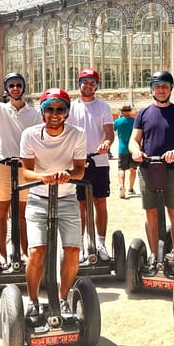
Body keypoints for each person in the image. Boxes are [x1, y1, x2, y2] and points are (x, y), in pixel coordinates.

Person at [20, 88, 87, 319]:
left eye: (60, 109)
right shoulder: (29, 135)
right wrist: (43, 177)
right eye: (49, 109)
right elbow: (25, 172)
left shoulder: (77, 134)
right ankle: (33, 301)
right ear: (42, 112)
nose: (54, 114)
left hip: (67, 197)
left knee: (72, 250)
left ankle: (62, 298)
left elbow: (79, 170)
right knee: (37, 251)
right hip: (39, 198)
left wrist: (66, 174)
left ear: (67, 112)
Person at [0, 72, 39, 267]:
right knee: (1, 212)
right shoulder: (1, 109)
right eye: (11, 85)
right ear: (6, 89)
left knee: (22, 213)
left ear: (23, 87)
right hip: (4, 165)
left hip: (24, 167)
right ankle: (3, 255)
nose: (15, 88)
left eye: (18, 85)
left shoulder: (34, 113)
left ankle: (24, 252)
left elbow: (39, 137)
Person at [128, 71, 174, 265]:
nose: (161, 90)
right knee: (151, 212)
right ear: (152, 89)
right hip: (148, 168)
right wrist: (136, 151)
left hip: (173, 169)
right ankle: (154, 255)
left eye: (165, 86)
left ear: (171, 89)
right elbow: (134, 140)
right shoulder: (144, 113)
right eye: (158, 86)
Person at [66, 68, 115, 260]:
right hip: (78, 161)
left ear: (97, 86)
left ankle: (100, 243)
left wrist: (107, 143)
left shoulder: (103, 107)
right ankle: (80, 244)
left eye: (92, 82)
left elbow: (109, 132)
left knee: (100, 202)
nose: (89, 85)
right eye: (85, 82)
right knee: (80, 204)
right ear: (79, 83)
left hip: (99, 160)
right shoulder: (70, 106)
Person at [113, 105, 137, 199]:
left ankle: (122, 186)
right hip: (133, 148)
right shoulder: (134, 121)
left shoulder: (118, 122)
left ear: (121, 111)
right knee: (133, 169)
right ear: (130, 111)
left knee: (121, 168)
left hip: (122, 148)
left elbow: (113, 130)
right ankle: (131, 188)